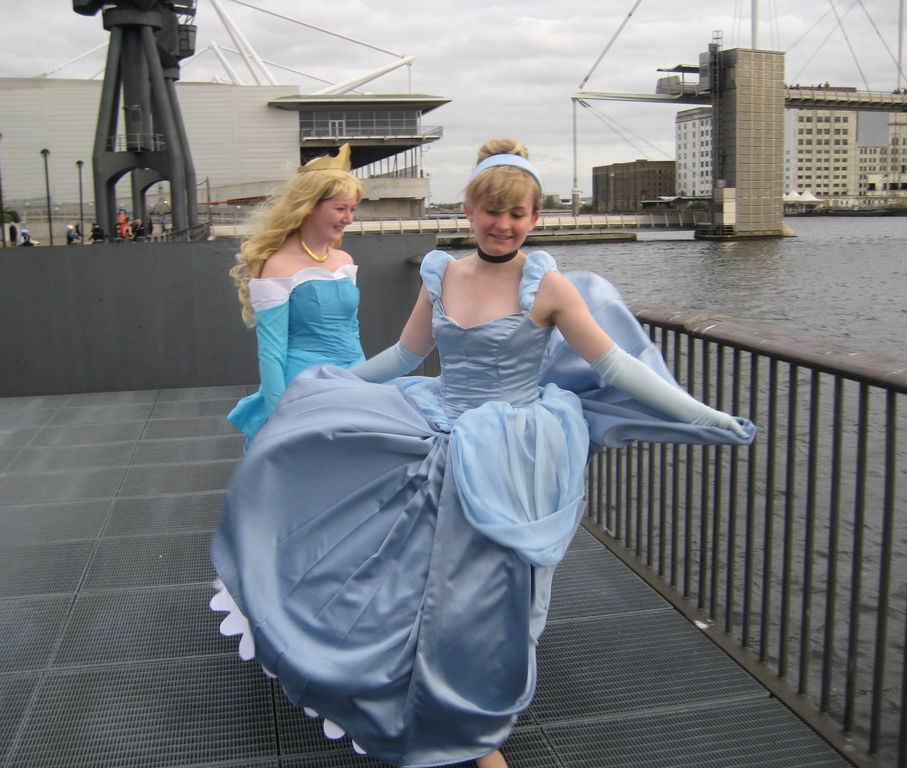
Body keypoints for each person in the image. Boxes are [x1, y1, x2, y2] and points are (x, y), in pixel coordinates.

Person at [211, 139, 756, 768]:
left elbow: (616, 367)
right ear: (469, 211)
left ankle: (474, 719)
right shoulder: (441, 274)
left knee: (492, 587)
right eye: (491, 211)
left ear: (535, 217)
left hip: (513, 451)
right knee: (425, 576)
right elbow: (404, 356)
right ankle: (436, 704)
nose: (503, 225)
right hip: (441, 431)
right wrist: (324, 389)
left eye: (517, 213)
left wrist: (703, 415)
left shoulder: (548, 287)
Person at [224, 143, 365, 442]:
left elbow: (352, 331)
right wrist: (281, 420)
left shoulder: (344, 261)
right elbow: (271, 353)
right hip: (305, 388)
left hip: (353, 381)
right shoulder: (279, 267)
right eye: (340, 209)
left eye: (352, 209)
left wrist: (365, 381)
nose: (349, 219)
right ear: (310, 205)